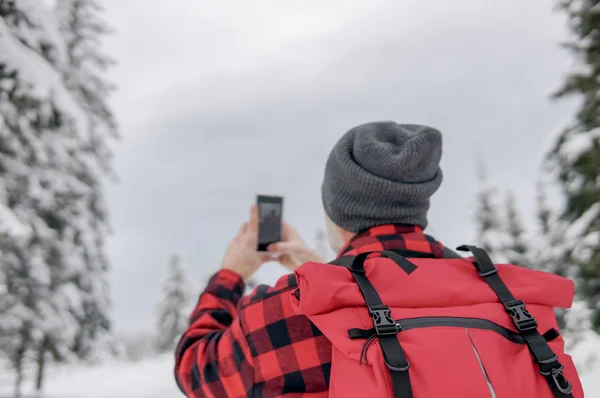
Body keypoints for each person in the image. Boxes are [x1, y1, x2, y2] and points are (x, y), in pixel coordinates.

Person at [174, 122, 582, 397]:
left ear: (337, 213)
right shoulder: (509, 299)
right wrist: (317, 269)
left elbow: (196, 370)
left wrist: (231, 273)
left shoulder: (286, 313)